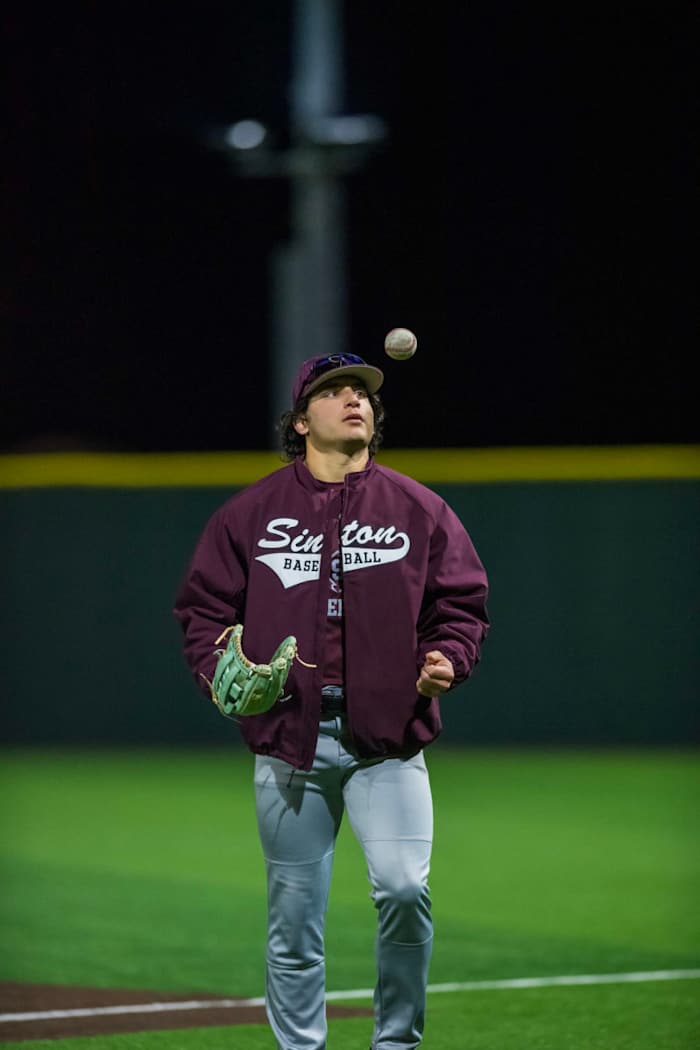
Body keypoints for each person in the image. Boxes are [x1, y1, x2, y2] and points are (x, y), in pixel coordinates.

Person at [173, 352, 489, 1050]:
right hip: (291, 741)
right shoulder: (252, 513)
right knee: (294, 919)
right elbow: (202, 609)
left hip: (390, 741)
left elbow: (460, 603)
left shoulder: (418, 508)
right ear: (300, 420)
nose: (355, 401)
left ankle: (396, 1044)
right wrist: (218, 669)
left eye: (363, 394)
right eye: (335, 391)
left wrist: (449, 656)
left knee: (404, 890)